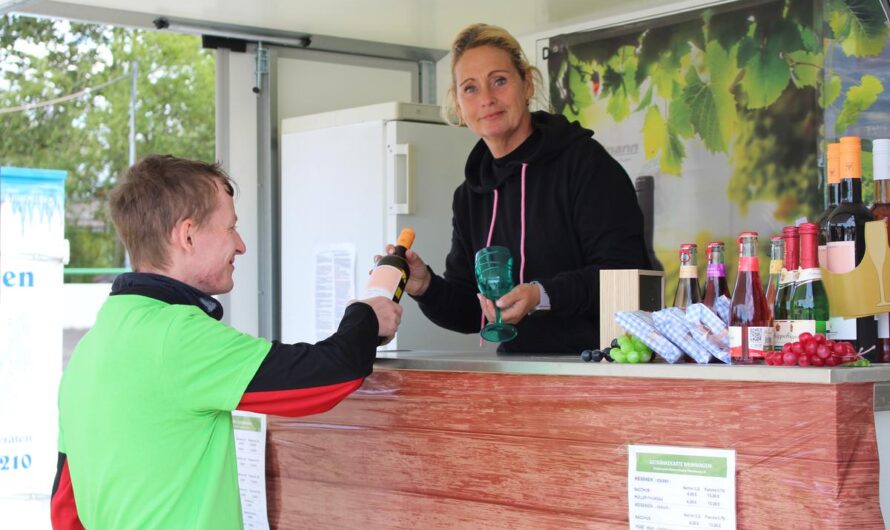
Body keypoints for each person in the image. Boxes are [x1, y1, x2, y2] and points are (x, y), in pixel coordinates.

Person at [50, 155, 402, 529]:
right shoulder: (179, 336)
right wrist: (367, 314)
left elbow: (65, 505)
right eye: (230, 227)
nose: (241, 245)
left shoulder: (93, 347)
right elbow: (330, 375)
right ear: (187, 235)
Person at [385, 23, 650, 353]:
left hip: (596, 372)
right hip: (515, 378)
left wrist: (541, 295)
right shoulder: (470, 196)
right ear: (458, 103)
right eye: (470, 88)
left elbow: (624, 276)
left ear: (526, 83)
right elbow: (472, 312)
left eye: (499, 81)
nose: (487, 99)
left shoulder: (584, 164)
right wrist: (425, 285)